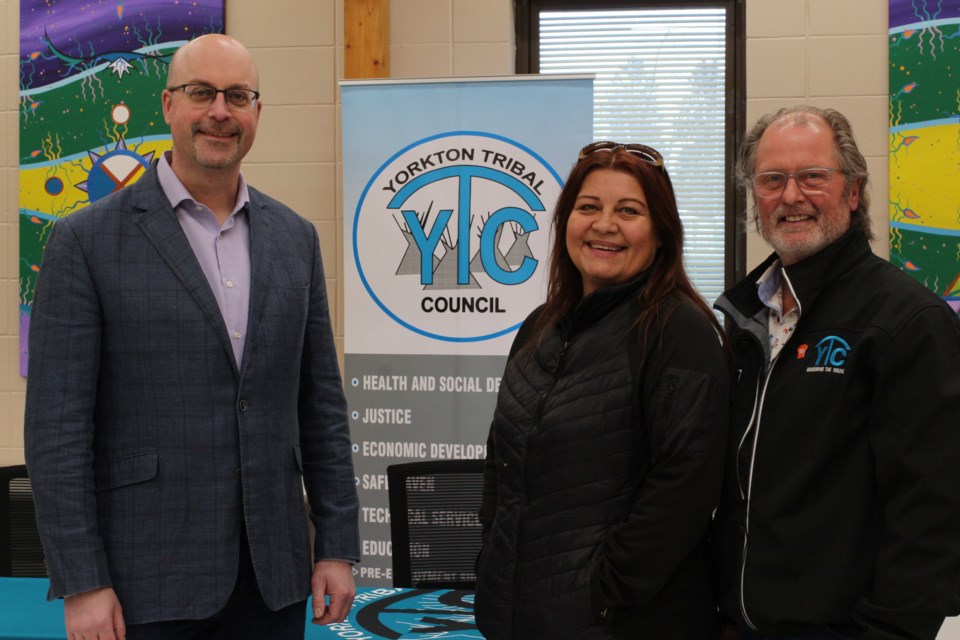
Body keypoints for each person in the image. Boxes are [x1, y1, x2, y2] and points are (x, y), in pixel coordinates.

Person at [24, 34, 360, 640]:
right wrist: (82, 580)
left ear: (258, 112)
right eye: (201, 92)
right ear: (168, 106)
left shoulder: (296, 240)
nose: (219, 111)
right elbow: (57, 432)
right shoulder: (85, 242)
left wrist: (336, 547)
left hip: (274, 579)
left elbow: (322, 408)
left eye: (238, 96)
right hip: (142, 582)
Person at [713, 106, 960, 639]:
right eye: (772, 179)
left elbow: (934, 510)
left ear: (853, 192)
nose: (791, 196)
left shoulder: (907, 323)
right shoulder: (743, 319)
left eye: (813, 177)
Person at [474, 142, 731, 639]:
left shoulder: (681, 332)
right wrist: (493, 557)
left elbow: (685, 490)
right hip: (519, 617)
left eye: (628, 211)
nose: (604, 224)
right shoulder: (538, 329)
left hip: (624, 623)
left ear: (660, 233)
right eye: (588, 207)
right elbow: (500, 462)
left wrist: (603, 591)